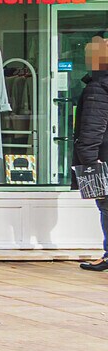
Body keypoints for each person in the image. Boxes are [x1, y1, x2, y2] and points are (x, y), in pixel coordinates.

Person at [77, 36, 108, 270]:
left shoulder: (98, 86)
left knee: (106, 205)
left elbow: (92, 125)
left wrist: (88, 159)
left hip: (103, 157)